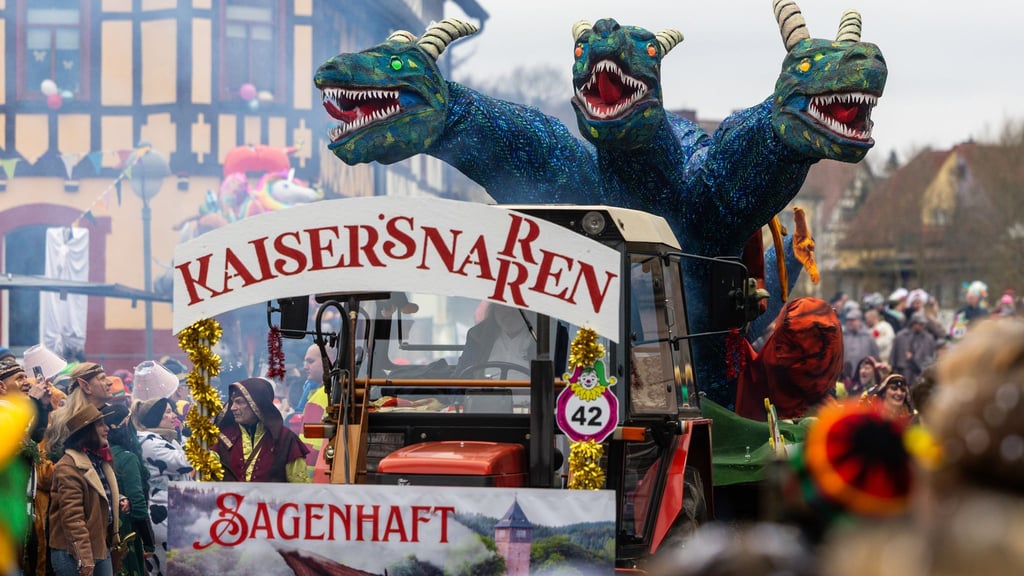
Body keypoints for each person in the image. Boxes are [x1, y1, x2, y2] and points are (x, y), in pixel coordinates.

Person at [48, 404, 123, 576]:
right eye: (100, 425)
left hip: (97, 545)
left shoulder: (96, 459)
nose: (107, 428)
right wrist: (84, 559)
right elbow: (73, 518)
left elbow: (97, 493)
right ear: (87, 431)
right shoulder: (68, 467)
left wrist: (119, 499)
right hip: (72, 553)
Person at [132, 397, 192, 576]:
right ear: (154, 417)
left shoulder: (167, 440)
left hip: (175, 514)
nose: (173, 415)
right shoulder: (148, 442)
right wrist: (199, 436)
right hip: (162, 517)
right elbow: (185, 462)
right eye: (167, 411)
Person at [213, 378, 311, 482]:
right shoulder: (223, 439)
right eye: (232, 402)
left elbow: (299, 487)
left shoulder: (286, 439)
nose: (232, 407)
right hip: (228, 498)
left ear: (257, 403)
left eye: (239, 402)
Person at [101, 404, 154, 576]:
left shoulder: (99, 456)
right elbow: (137, 501)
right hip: (127, 532)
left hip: (106, 530)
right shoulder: (126, 458)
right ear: (126, 425)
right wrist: (148, 542)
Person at [44, 363, 113, 458]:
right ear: (85, 386)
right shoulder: (65, 422)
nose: (110, 382)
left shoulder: (109, 415)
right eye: (102, 378)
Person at [457, 303, 536, 377]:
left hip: (532, 391)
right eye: (503, 305)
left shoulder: (542, 336)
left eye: (516, 307)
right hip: (486, 391)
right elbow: (461, 375)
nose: (509, 311)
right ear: (494, 309)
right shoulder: (478, 335)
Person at [889, 312, 936, 389]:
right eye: (920, 324)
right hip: (903, 373)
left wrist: (914, 358)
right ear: (913, 324)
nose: (923, 326)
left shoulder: (928, 338)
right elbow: (893, 358)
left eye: (923, 324)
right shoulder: (900, 336)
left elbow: (929, 359)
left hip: (920, 374)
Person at [840, 309, 879, 382]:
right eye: (848, 320)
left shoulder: (868, 337)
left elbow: (875, 356)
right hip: (845, 376)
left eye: (852, 320)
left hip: (865, 375)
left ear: (859, 321)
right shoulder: (842, 336)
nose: (850, 323)